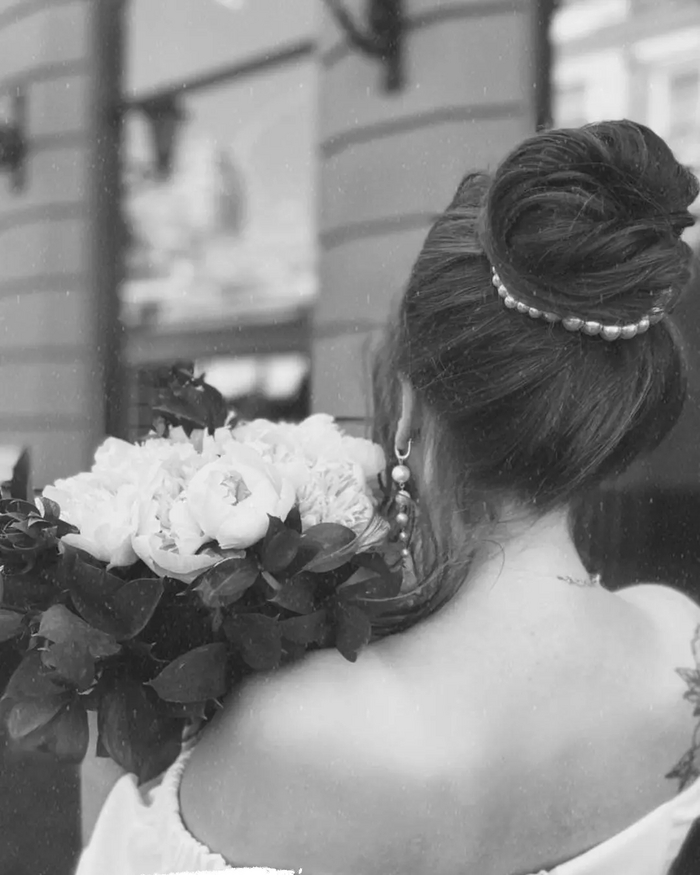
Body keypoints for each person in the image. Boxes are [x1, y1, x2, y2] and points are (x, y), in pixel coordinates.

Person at [76, 119, 700, 875]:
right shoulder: (679, 645)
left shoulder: (295, 732)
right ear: (603, 422)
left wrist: (113, 732)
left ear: (407, 408)